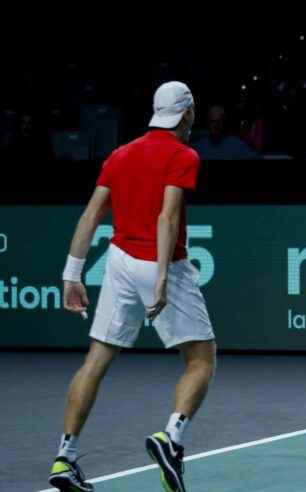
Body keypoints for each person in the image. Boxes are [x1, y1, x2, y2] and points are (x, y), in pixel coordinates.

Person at [49, 81, 216, 492]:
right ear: (188, 113)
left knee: (97, 358)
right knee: (202, 359)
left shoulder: (120, 154)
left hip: (119, 262)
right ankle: (170, 438)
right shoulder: (184, 155)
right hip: (160, 264)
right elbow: (168, 217)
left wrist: (72, 274)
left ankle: (63, 460)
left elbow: (91, 215)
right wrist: (161, 277)